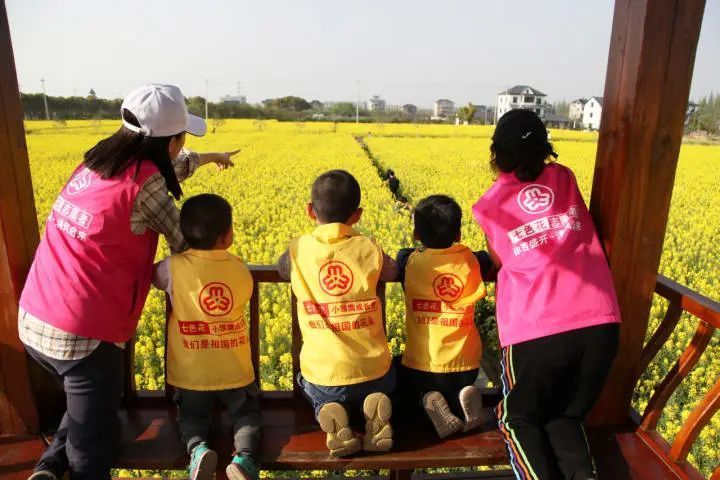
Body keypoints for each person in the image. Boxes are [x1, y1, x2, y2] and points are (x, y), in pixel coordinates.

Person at [18, 84, 240, 480]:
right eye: (181, 138)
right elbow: (186, 240)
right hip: (81, 335)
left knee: (87, 402)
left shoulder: (98, 162)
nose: (182, 144)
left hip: (35, 316)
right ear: (170, 141)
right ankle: (65, 468)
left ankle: (48, 469)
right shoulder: (147, 182)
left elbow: (166, 166)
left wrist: (210, 158)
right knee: (93, 442)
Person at [472, 109, 621, 480]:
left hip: (537, 329)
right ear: (545, 149)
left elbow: (498, 259)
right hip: (600, 324)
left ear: (496, 155)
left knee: (516, 419)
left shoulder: (489, 205)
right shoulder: (565, 177)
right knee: (564, 416)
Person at [278, 170, 397, 457]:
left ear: (310, 210)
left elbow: (283, 268)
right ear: (357, 215)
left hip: (324, 378)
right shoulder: (369, 246)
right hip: (374, 372)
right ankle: (374, 407)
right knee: (390, 377)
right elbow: (393, 271)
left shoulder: (299, 249)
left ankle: (328, 413)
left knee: (304, 381)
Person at [153, 194, 260, 480]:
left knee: (191, 417)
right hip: (234, 368)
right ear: (227, 236)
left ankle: (198, 449)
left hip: (191, 372)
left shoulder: (173, 267)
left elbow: (154, 276)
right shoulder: (238, 268)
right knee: (246, 415)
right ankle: (244, 458)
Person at [395, 195, 496, 439]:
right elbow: (489, 258)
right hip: (467, 364)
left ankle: (427, 398)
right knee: (455, 385)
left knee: (402, 382)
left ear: (416, 234)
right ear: (459, 234)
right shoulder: (473, 260)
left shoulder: (408, 261)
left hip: (423, 363)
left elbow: (402, 256)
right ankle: (463, 398)